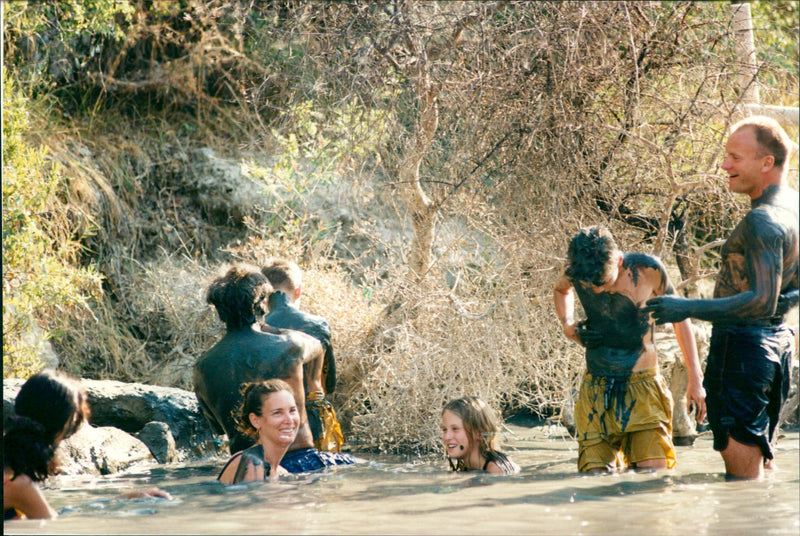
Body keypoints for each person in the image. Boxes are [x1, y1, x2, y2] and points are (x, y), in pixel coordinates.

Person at [644, 116, 798, 479]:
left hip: (743, 352)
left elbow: (760, 299)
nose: (725, 166)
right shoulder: (794, 207)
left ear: (767, 163)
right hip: (778, 346)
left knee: (742, 481)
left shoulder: (762, 220)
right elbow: (781, 295)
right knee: (761, 467)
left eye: (735, 158)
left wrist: (685, 307)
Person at [553, 226, 706, 473]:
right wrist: (567, 324)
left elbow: (681, 318)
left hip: (643, 388)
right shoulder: (579, 269)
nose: (598, 290)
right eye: (591, 285)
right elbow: (561, 290)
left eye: (604, 282)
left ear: (620, 261)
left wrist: (695, 380)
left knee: (653, 479)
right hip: (596, 390)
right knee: (595, 483)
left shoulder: (648, 270)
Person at [194, 263, 355, 472]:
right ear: (263, 303)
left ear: (219, 310)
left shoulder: (202, 368)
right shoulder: (290, 345)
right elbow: (317, 345)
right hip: (300, 461)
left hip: (247, 469)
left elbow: (216, 428)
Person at [4, 370, 171, 520]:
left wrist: (120, 500)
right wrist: (121, 504)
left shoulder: (12, 476)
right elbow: (56, 524)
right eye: (68, 431)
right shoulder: (19, 485)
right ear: (58, 430)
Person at [261, 259, 344, 453]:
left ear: (264, 297)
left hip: (274, 415)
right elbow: (328, 384)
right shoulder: (318, 324)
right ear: (298, 291)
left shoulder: (258, 328)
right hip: (314, 412)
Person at [218, 379, 299, 484]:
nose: (289, 420)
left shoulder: (281, 472)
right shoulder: (251, 464)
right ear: (255, 421)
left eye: (292, 411)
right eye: (277, 413)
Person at [441, 396, 520, 475]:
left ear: (479, 432)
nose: (447, 437)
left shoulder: (496, 471)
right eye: (444, 430)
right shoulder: (468, 468)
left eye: (455, 429)